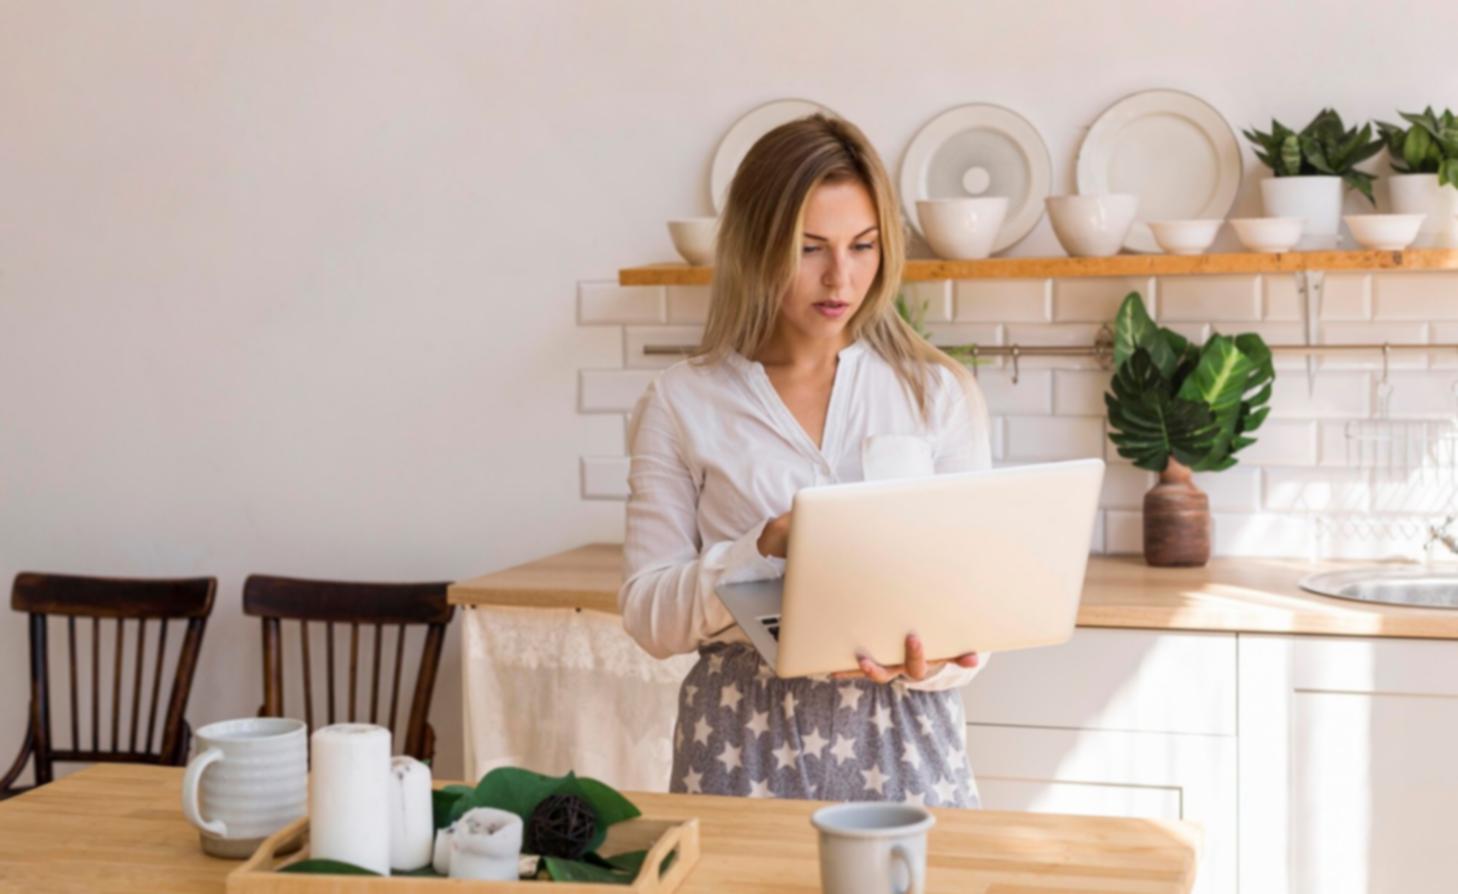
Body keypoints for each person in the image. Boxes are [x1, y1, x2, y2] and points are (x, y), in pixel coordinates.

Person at [618, 114, 993, 807]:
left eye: (863, 245)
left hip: (905, 746)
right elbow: (647, 615)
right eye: (810, 247)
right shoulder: (681, 400)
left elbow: (973, 626)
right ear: (756, 247)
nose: (839, 278)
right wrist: (756, 550)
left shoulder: (937, 393)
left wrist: (933, 663)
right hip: (737, 744)